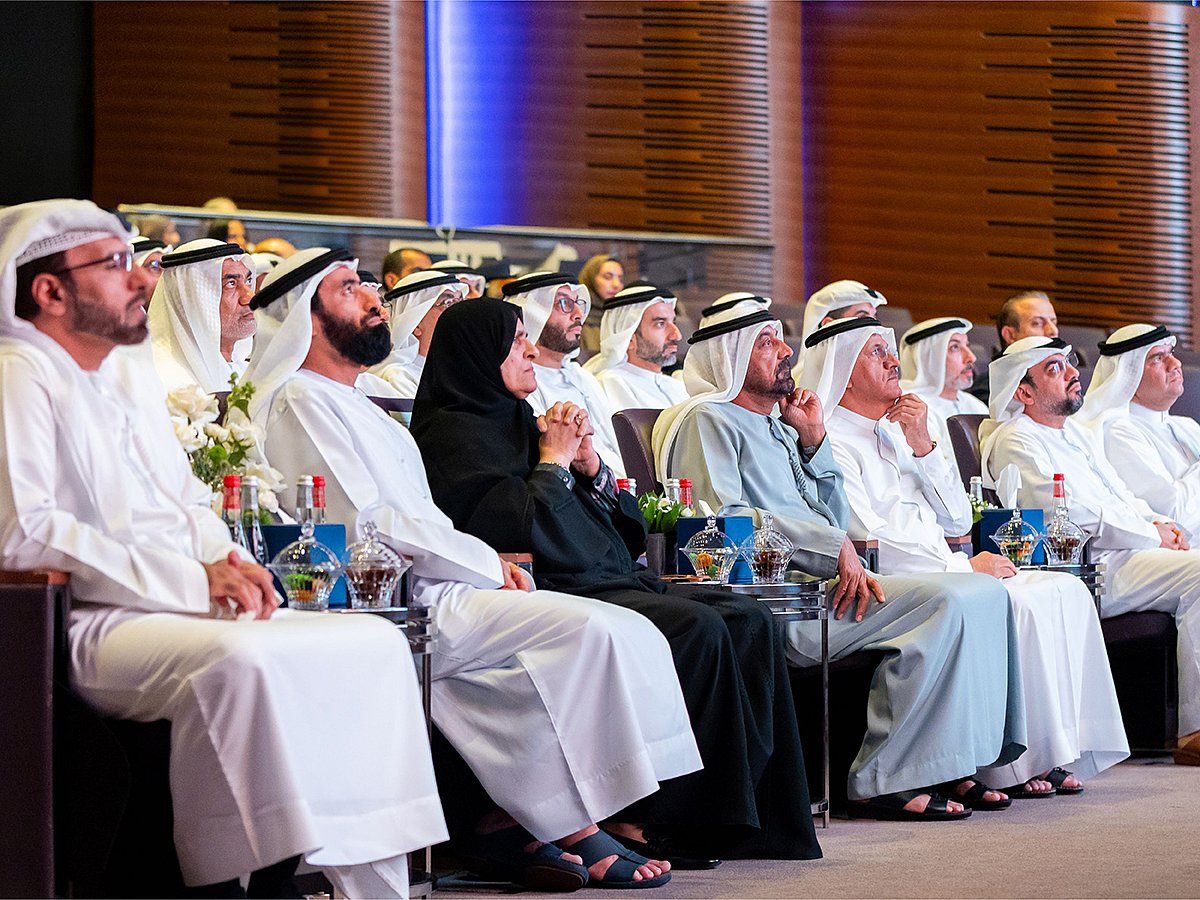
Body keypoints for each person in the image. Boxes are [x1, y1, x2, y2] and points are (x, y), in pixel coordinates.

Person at [0, 199, 446, 898]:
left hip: (174, 602)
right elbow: (23, 533)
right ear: (50, 290)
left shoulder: (124, 375)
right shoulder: (18, 372)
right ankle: (231, 881)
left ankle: (355, 874)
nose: (141, 280)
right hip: (87, 619)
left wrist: (230, 562)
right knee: (243, 664)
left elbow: (187, 503)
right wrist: (189, 580)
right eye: (113, 266)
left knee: (372, 645)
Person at [248, 250, 696, 890]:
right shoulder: (299, 399)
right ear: (305, 318)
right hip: (393, 594)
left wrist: (483, 565)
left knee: (608, 634)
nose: (377, 301)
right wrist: (488, 563)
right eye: (352, 291)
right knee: (592, 632)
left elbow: (429, 520)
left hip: (445, 582)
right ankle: (576, 823)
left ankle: (547, 822)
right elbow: (370, 526)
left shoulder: (364, 409)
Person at [411, 299, 822, 862]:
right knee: (699, 628)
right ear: (478, 355)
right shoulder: (451, 436)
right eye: (514, 342)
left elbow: (628, 527)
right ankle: (656, 818)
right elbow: (512, 526)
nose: (531, 350)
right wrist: (553, 463)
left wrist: (591, 469)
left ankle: (752, 820)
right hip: (551, 587)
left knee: (750, 619)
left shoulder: (521, 422)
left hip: (611, 576)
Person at [653, 308, 1026, 819]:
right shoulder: (709, 419)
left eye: (782, 341)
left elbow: (838, 518)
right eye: (767, 343)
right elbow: (724, 517)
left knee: (982, 594)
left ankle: (952, 762)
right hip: (781, 598)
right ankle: (886, 776)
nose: (786, 352)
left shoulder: (781, 427)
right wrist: (834, 548)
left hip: (831, 585)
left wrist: (813, 441)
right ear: (731, 357)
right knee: (948, 598)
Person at [810, 316, 1128, 796]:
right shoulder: (830, 435)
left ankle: (1046, 752)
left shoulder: (900, 431)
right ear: (842, 370)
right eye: (878, 353)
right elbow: (868, 538)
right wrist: (962, 567)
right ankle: (994, 765)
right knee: (1009, 600)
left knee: (1063, 588)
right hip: (905, 578)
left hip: (944, 566)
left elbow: (957, 520)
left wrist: (924, 447)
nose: (895, 362)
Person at [982, 335, 1200, 766]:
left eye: (1069, 365)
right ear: (1023, 392)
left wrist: (1156, 522)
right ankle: (1193, 732)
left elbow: (1119, 493)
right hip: (1090, 567)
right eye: (1055, 369)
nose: (1072, 373)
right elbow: (1070, 515)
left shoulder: (1075, 436)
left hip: (1131, 555)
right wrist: (1149, 535)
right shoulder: (1016, 440)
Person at [1079, 324, 1200, 537]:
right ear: (1128, 375)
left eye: (1170, 353)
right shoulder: (1117, 432)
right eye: (1158, 358)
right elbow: (1176, 516)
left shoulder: (1187, 425)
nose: (1176, 363)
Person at [502, 272, 626, 476]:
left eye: (577, 303)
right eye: (563, 303)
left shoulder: (584, 377)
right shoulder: (522, 383)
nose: (578, 314)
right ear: (533, 313)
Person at [148, 238, 256, 392]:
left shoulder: (246, 372)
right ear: (193, 297)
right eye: (231, 284)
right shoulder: (163, 380)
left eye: (248, 281)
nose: (249, 298)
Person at [585, 282, 688, 411]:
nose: (676, 335)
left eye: (673, 322)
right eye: (660, 324)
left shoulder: (677, 386)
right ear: (628, 338)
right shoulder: (610, 385)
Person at [899, 317, 988, 459]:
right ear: (928, 357)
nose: (971, 357)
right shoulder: (909, 406)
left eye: (967, 346)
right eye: (955, 347)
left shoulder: (975, 405)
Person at [370, 270, 467, 398]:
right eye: (447, 303)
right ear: (415, 322)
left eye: (459, 302)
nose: (458, 312)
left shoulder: (459, 372)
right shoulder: (398, 377)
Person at [969, 290, 1061, 404]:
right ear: (1010, 335)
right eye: (1037, 323)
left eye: (1054, 322)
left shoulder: (1063, 378)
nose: (1053, 331)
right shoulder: (991, 389)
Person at [794, 279, 886, 366]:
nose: (874, 328)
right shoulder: (803, 380)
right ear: (828, 325)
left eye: (874, 318)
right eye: (862, 318)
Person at [579, 254, 625, 351]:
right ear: (591, 279)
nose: (616, 284)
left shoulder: (624, 319)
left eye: (620, 279)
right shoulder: (577, 317)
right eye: (608, 277)